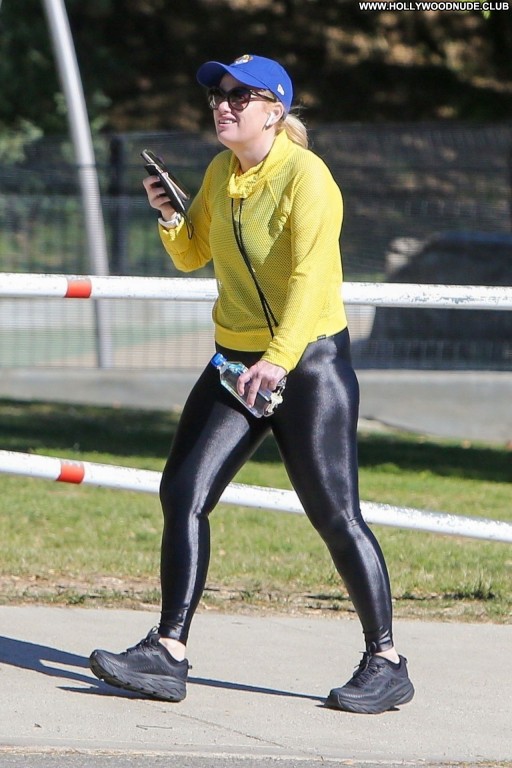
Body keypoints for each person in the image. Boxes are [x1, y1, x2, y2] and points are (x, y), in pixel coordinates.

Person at [89, 54, 415, 715]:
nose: (224, 104)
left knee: (335, 515)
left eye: (241, 96)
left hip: (309, 364)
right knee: (183, 492)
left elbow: (311, 278)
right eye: (218, 94)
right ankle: (168, 651)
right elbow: (193, 254)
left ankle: (386, 661)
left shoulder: (307, 177)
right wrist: (169, 217)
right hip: (236, 364)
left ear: (275, 111)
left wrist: (281, 359)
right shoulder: (221, 172)